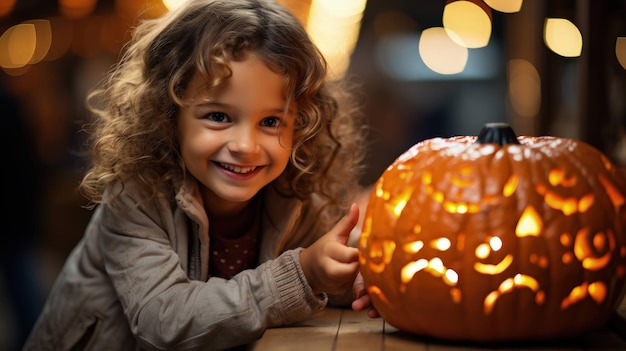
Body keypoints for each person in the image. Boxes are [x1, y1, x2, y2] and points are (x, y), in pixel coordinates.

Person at [24, 0, 377, 349]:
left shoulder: (297, 198)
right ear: (168, 114)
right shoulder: (134, 197)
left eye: (270, 122)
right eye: (219, 117)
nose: (245, 146)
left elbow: (325, 271)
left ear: (300, 127)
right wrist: (301, 274)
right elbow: (162, 321)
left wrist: (361, 281)